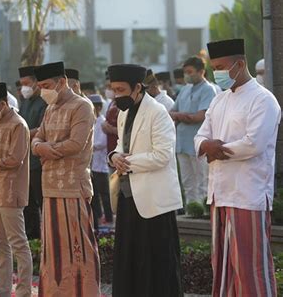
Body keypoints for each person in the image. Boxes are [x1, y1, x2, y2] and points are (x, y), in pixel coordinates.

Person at [195, 38, 280, 296]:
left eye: (221, 67)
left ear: (240, 64)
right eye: (214, 67)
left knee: (250, 266)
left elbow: (253, 144)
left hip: (248, 194)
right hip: (219, 195)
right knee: (222, 265)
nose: (216, 73)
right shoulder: (219, 101)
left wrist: (216, 150)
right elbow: (200, 138)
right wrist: (207, 146)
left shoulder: (264, 99)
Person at [108, 64, 183, 297]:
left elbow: (163, 155)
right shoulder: (123, 113)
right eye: (113, 90)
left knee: (157, 261)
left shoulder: (157, 112)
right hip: (128, 197)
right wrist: (114, 156)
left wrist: (127, 162)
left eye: (120, 89)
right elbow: (121, 145)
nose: (116, 95)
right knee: (130, 257)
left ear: (137, 87)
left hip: (154, 200)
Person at [32, 61, 100, 296]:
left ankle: (82, 292)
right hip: (49, 186)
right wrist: (43, 147)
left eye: (47, 85)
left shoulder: (82, 106)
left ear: (62, 82)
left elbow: (76, 144)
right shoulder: (50, 108)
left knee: (77, 245)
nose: (43, 91)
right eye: (40, 86)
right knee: (53, 248)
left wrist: (46, 150)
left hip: (73, 186)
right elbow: (35, 140)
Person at [0, 82, 33, 297]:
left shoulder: (18, 125)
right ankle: (2, 291)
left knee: (18, 243)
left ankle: (23, 291)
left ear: (2, 104)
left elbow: (16, 159)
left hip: (11, 192)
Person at [169, 56, 217, 209]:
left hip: (199, 143)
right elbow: (171, 113)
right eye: (185, 72)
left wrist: (181, 116)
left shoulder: (208, 89)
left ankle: (204, 212)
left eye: (190, 72)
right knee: (187, 181)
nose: (187, 75)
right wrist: (183, 116)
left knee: (202, 180)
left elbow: (199, 117)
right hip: (182, 143)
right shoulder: (185, 89)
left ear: (201, 71)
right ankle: (191, 210)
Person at [18, 66, 47, 240]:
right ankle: (33, 237)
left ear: (37, 83)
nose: (24, 88)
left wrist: (23, 134)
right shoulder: (25, 101)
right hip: (25, 159)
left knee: (41, 200)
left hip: (38, 158)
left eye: (27, 83)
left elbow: (44, 129)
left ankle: (46, 237)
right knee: (27, 202)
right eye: (22, 84)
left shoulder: (44, 102)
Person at [88, 94, 113, 231]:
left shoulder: (102, 122)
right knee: (95, 193)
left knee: (104, 193)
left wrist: (89, 146)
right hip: (92, 163)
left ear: (98, 107)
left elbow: (102, 143)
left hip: (101, 162)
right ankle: (98, 216)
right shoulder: (91, 122)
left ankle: (109, 217)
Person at [102, 70, 119, 155]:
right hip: (110, 150)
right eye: (106, 87)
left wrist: (112, 130)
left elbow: (129, 132)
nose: (108, 90)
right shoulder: (111, 103)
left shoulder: (123, 105)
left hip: (120, 152)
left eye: (109, 87)